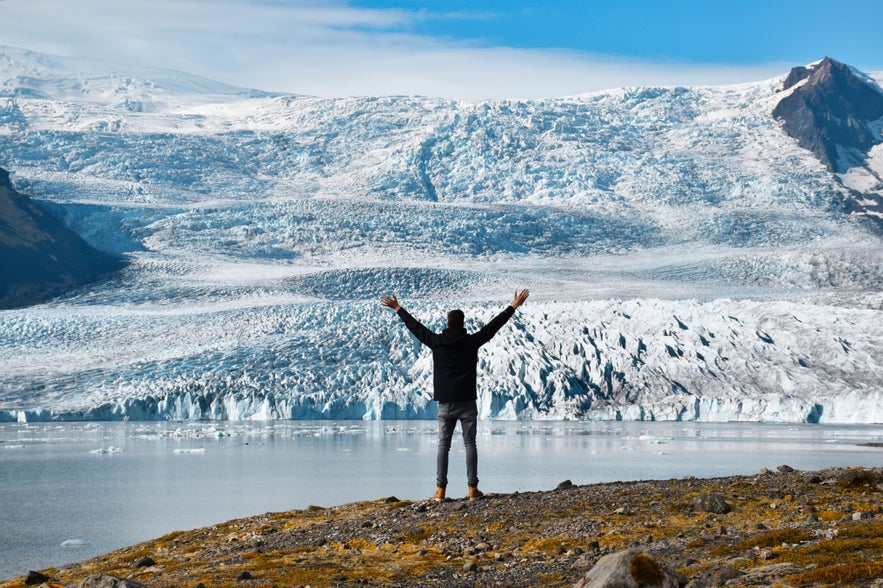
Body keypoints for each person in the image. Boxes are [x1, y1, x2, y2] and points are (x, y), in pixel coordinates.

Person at [380, 289, 530, 500]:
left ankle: (440, 491)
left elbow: (416, 328)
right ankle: (472, 489)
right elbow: (492, 327)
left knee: (443, 445)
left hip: (445, 403)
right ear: (462, 323)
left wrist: (398, 308)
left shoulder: (437, 342)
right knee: (470, 444)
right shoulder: (471, 342)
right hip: (467, 402)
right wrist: (513, 307)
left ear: (448, 323)